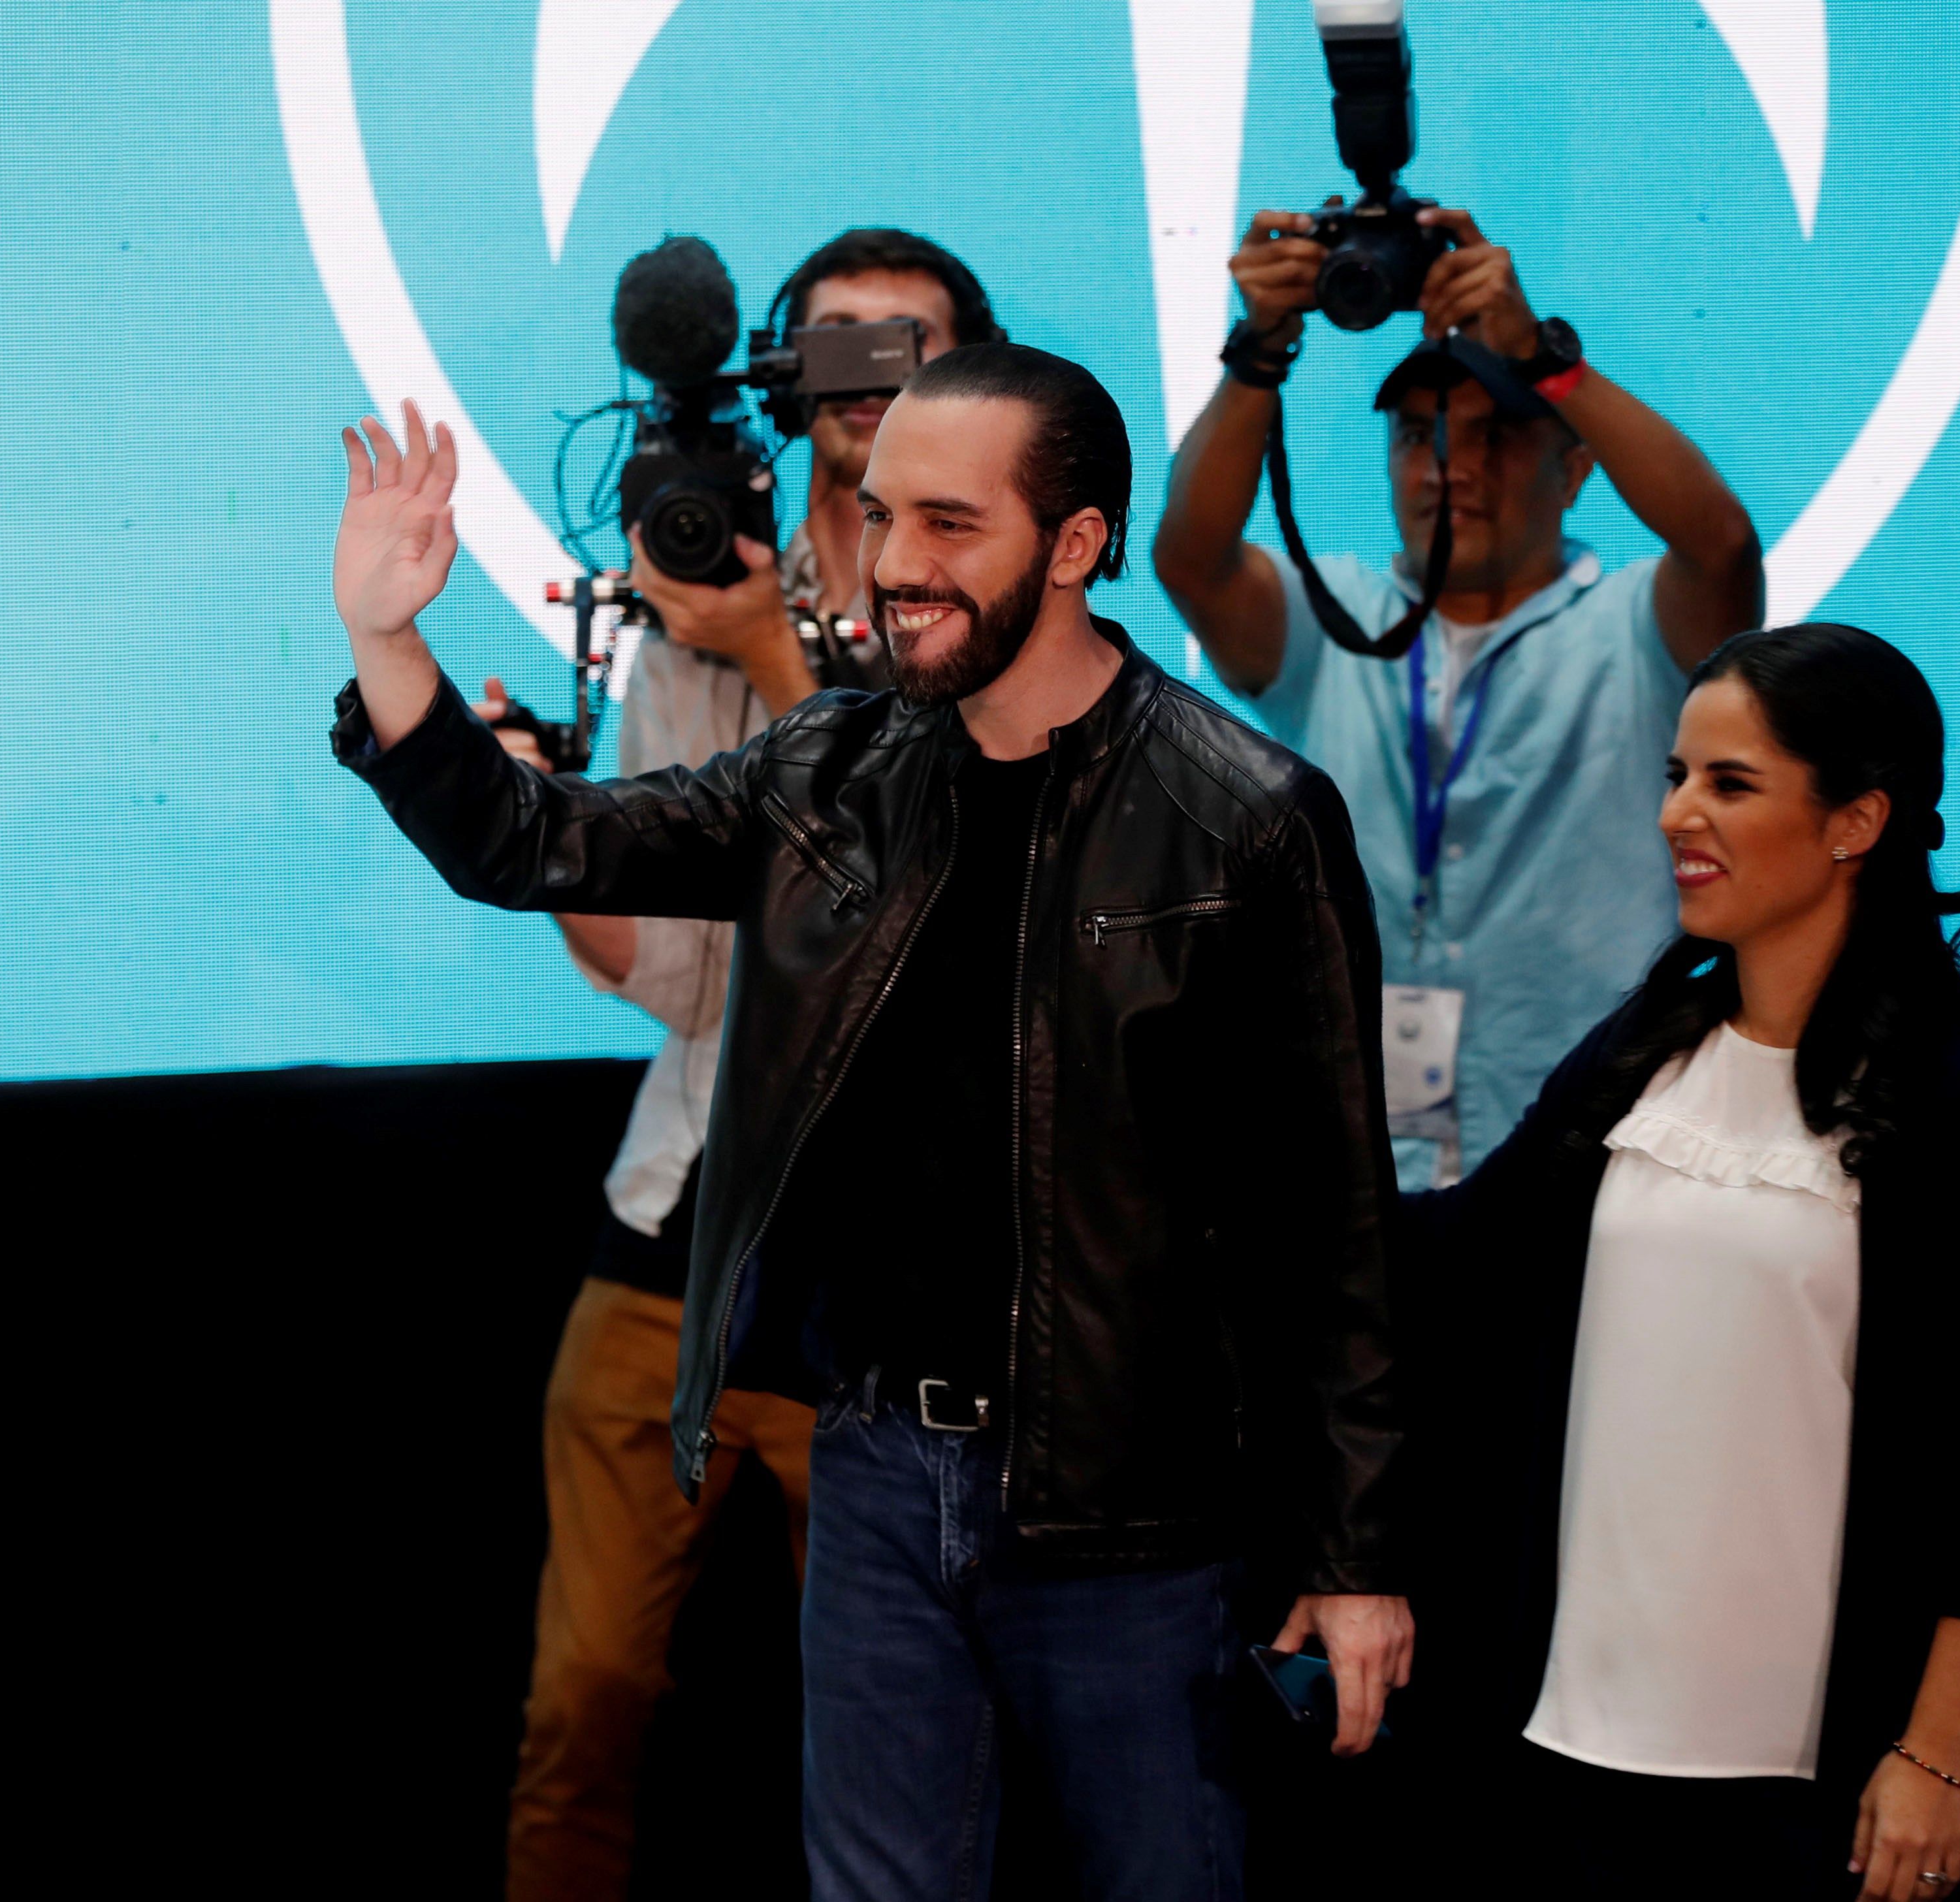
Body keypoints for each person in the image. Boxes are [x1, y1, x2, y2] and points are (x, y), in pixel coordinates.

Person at [324, 344, 1410, 1901]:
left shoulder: (1247, 815)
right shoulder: (831, 764)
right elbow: (530, 839)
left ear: (1081, 543)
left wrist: (1356, 1554)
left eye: (951, 526)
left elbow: (1336, 1221)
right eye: (886, 515)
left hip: (1134, 1508)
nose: (897, 565)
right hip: (884, 1472)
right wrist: (386, 632)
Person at [474, 228, 998, 1902]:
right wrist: (543, 837)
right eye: (832, 344)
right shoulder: (693, 590)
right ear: (779, 368)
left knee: (897, 1722)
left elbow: (929, 941)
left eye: (902, 342)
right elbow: (689, 977)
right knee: (586, 1697)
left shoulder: (1001, 607)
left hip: (890, 1279)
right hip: (675, 1227)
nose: (864, 375)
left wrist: (782, 655)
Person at [1402, 624, 1960, 1899]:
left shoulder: (1957, 1104)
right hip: (1570, 1742)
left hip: (1802, 1792)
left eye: (1729, 784)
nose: (1677, 813)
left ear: (1856, 820)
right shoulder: (1652, 1039)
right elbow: (1465, 1257)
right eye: (1678, 774)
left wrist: (1938, 1752)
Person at [1153, 202, 1761, 1187]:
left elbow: (1723, 546)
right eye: (1418, 437)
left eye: (1497, 437)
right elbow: (1190, 556)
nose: (1450, 470)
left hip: (1600, 1147)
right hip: (1361, 1160)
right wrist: (1261, 349)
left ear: (1575, 472)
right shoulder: (1338, 617)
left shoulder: (1639, 624)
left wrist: (1547, 360)